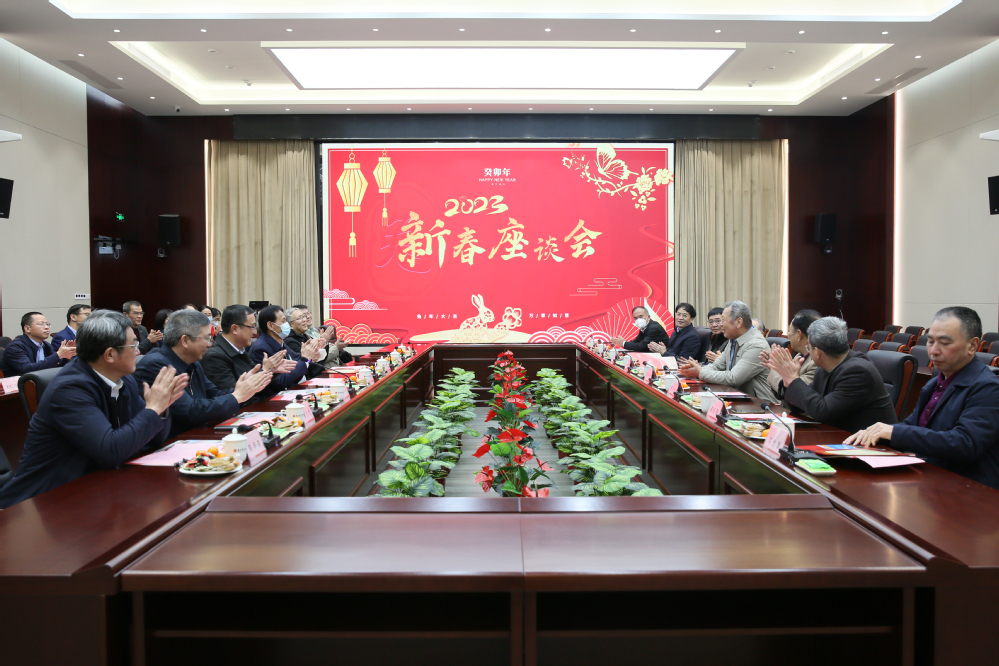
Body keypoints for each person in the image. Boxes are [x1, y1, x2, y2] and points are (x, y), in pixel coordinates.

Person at [0, 311, 188, 509]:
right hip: (42, 503)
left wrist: (161, 409)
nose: (138, 352)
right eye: (133, 345)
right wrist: (153, 409)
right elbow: (111, 451)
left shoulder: (124, 379)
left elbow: (154, 439)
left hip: (95, 489)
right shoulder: (70, 389)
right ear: (109, 355)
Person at [846, 307, 999, 489]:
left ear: (972, 345)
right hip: (931, 480)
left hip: (969, 490)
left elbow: (964, 443)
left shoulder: (988, 388)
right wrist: (874, 434)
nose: (933, 351)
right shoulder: (934, 384)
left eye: (944, 343)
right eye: (930, 341)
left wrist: (894, 432)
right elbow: (913, 426)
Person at [133, 309, 272, 439]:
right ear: (185, 341)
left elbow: (214, 394)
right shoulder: (157, 366)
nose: (210, 344)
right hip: (171, 442)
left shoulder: (193, 362)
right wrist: (236, 396)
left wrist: (246, 387)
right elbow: (189, 411)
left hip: (197, 435)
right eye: (207, 338)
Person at [767, 317, 897, 432]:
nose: (808, 352)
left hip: (872, 446)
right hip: (839, 437)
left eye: (808, 348)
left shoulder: (858, 371)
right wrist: (788, 382)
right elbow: (804, 407)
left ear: (818, 352)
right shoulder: (825, 368)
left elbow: (822, 412)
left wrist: (793, 379)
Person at [678, 301, 776, 401]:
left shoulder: (756, 345)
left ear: (738, 322)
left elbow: (733, 378)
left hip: (760, 404)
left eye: (723, 320)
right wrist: (695, 369)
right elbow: (717, 366)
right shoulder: (734, 339)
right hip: (737, 398)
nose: (720, 325)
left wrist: (700, 372)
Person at [202, 304, 298, 393]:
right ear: (235, 329)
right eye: (252, 327)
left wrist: (272, 370)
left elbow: (255, 377)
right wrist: (266, 371)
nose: (255, 332)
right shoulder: (214, 356)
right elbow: (232, 395)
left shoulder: (240, 350)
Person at [249, 305, 327, 385]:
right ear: (270, 325)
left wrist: (310, 356)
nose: (287, 324)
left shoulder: (280, 342)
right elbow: (281, 381)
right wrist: (306, 358)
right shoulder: (260, 348)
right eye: (283, 321)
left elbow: (296, 360)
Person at [760, 309, 821, 411]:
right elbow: (781, 394)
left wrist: (776, 369)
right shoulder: (799, 355)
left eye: (789, 330)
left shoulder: (816, 362)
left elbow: (793, 390)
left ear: (799, 334)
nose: (787, 335)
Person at [1, 312, 76, 377]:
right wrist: (58, 355)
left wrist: (66, 357)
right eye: (41, 324)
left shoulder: (46, 345)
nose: (46, 327)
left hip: (41, 383)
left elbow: (56, 366)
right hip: (20, 386)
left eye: (47, 324)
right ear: (27, 329)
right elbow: (26, 369)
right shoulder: (15, 346)